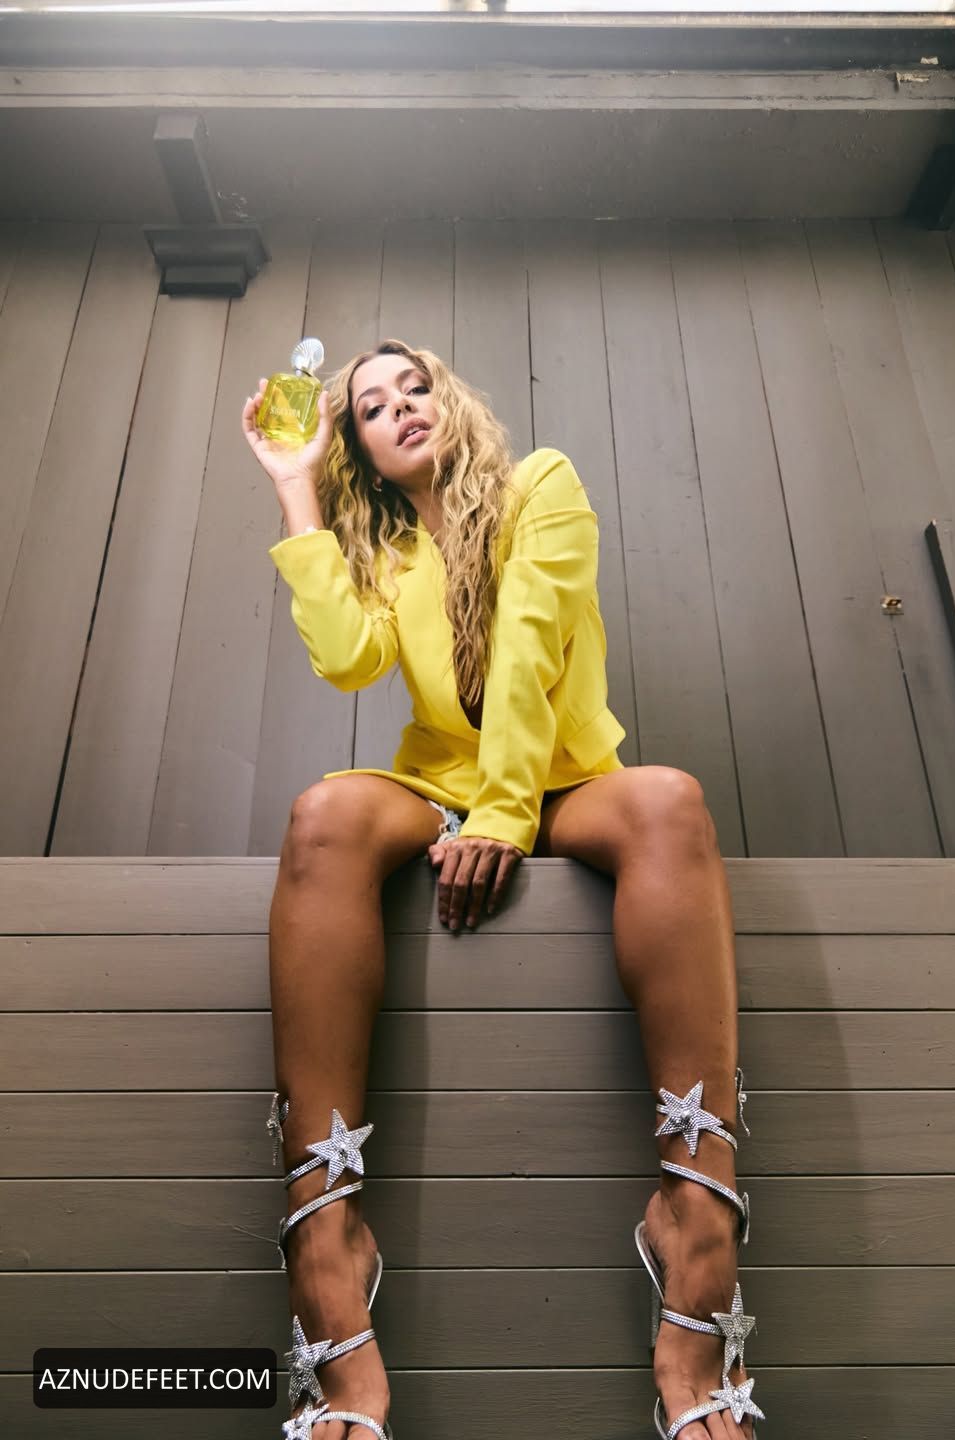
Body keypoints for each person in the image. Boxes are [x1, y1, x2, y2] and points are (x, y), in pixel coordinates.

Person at [241, 339, 762, 1440]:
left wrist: (505, 814)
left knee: (669, 800)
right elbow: (346, 659)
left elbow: (528, 646)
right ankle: (324, 1231)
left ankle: (698, 1215)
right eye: (370, 407)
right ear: (361, 449)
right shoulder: (388, 549)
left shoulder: (543, 486)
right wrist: (295, 486)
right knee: (323, 814)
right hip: (441, 784)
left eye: (414, 385)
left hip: (559, 780)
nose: (400, 406)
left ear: (450, 400)